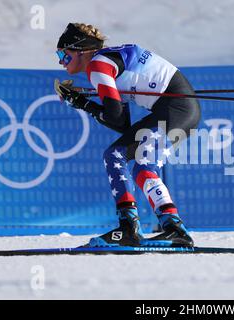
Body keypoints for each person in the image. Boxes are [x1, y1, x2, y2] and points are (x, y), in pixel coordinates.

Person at [54, 23, 201, 247]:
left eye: (63, 55)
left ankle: (131, 228)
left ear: (80, 50)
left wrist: (81, 102)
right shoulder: (105, 62)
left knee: (117, 156)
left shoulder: (98, 66)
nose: (60, 62)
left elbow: (113, 116)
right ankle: (171, 227)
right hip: (176, 109)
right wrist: (84, 101)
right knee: (138, 164)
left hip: (174, 109)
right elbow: (122, 125)